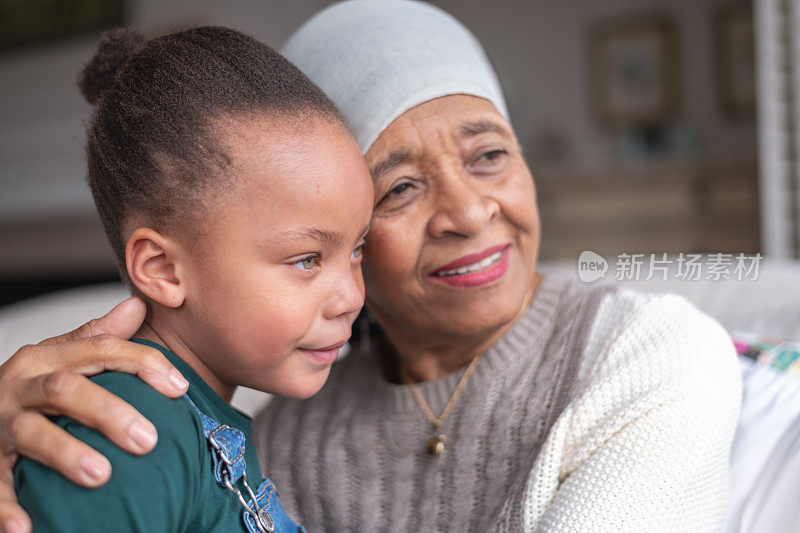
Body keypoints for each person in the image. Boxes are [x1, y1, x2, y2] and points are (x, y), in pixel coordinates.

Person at [0, 2, 742, 532]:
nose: (467, 211)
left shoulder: (648, 352)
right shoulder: (257, 427)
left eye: (489, 155)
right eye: (402, 188)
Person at [8, 25, 372, 532]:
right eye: (307, 259)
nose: (351, 297)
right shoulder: (129, 431)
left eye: (357, 249)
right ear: (162, 269)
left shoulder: (196, 425)